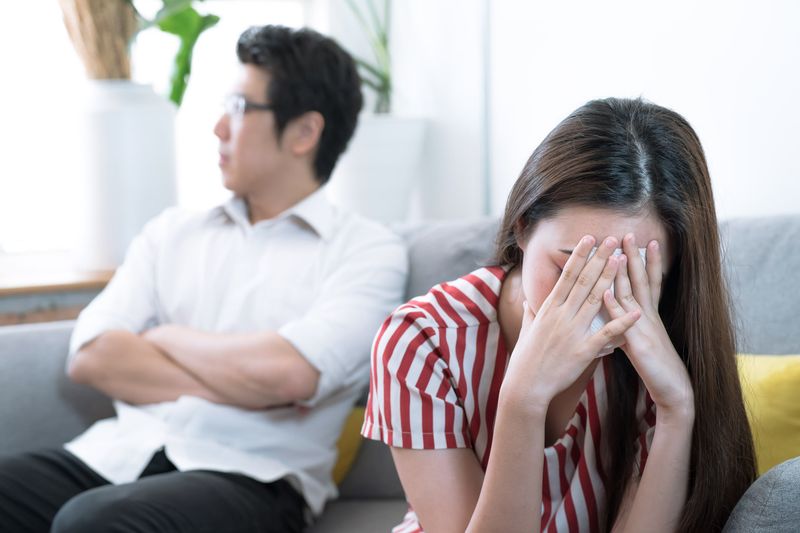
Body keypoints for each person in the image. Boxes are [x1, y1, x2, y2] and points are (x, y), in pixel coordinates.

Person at [0, 25, 407, 533]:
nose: (217, 127)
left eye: (239, 108)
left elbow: (291, 375)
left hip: (253, 478)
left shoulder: (367, 250)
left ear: (304, 133)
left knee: (91, 522)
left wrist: (163, 338)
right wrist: (250, 388)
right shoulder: (172, 232)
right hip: (120, 453)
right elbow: (92, 355)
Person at [362, 97, 756, 532]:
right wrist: (522, 400)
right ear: (523, 227)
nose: (596, 299)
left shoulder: (665, 347)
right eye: (571, 266)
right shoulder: (423, 340)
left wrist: (677, 408)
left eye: (631, 278)